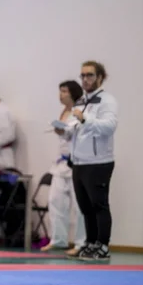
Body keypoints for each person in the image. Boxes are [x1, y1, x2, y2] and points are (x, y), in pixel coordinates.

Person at [63, 61, 117, 261]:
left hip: (99, 161)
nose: (85, 79)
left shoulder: (107, 101)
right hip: (79, 161)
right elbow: (73, 129)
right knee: (85, 207)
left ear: (100, 77)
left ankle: (103, 245)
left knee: (99, 205)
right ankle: (91, 242)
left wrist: (85, 119)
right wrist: (64, 130)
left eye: (90, 75)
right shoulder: (80, 102)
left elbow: (109, 127)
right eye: (83, 76)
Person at [41, 80, 86, 255]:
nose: (61, 94)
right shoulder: (64, 112)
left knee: (79, 205)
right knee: (55, 201)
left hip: (77, 163)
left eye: (65, 91)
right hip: (61, 164)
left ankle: (81, 242)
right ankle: (58, 240)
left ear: (73, 92)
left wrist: (64, 130)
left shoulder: (81, 110)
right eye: (60, 91)